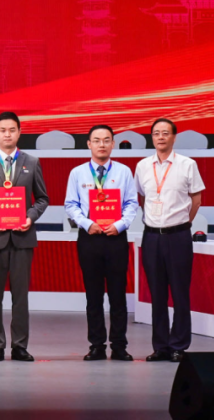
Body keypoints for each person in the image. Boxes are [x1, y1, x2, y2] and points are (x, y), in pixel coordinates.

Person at [0, 112, 49, 362]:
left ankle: (20, 346)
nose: (7, 134)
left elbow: (42, 199)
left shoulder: (31, 162)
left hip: (23, 238)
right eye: (3, 130)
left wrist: (30, 217)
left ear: (19, 132)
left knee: (20, 296)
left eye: (12, 130)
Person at [64, 124, 139, 361]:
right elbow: (71, 204)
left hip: (116, 237)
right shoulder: (77, 173)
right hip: (90, 238)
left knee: (118, 294)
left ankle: (119, 346)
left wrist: (121, 225)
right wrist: (87, 224)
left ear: (113, 144)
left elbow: (132, 203)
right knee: (93, 295)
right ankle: (96, 345)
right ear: (89, 144)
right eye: (96, 140)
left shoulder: (124, 171)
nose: (102, 145)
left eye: (106, 140)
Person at [137, 118, 205, 363]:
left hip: (178, 236)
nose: (161, 137)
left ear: (174, 137)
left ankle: (178, 345)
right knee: (156, 294)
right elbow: (142, 198)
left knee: (179, 292)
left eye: (165, 133)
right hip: (151, 236)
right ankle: (160, 346)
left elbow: (196, 200)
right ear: (152, 137)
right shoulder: (143, 166)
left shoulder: (188, 164)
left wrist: (182, 223)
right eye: (156, 133)